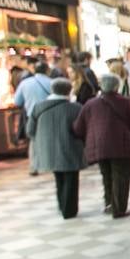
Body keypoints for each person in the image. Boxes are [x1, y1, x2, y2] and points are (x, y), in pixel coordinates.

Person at [72, 73, 130, 218]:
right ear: (117, 86)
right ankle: (119, 209)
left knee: (106, 175)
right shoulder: (125, 102)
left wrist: (89, 137)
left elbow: (78, 128)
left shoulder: (90, 104)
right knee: (121, 176)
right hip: (121, 145)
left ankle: (109, 203)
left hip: (99, 146)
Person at [27, 78, 85, 218]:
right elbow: (82, 129)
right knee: (71, 178)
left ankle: (62, 205)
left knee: (59, 177)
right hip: (70, 147)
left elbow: (30, 130)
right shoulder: (76, 108)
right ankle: (69, 210)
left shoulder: (38, 107)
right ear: (69, 90)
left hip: (48, 149)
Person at [14, 60, 54, 174]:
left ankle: (34, 166)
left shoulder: (24, 83)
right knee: (49, 138)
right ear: (47, 70)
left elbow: (17, 101)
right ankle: (49, 163)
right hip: (48, 114)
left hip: (31, 115)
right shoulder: (51, 82)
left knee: (33, 140)